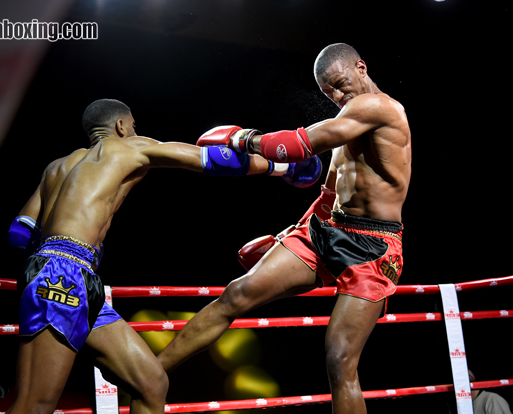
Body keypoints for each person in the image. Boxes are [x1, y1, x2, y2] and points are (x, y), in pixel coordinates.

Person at [5, 98, 321, 414]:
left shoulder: (57, 167)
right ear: (120, 126)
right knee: (36, 404)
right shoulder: (127, 148)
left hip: (71, 274)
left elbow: (19, 234)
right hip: (63, 277)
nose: (134, 131)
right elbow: (212, 160)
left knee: (151, 384)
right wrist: (284, 167)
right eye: (133, 126)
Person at [157, 43, 411, 414]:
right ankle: (151, 373)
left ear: (361, 67)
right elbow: (331, 186)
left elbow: (299, 144)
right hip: (324, 227)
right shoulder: (350, 117)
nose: (338, 96)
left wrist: (244, 139)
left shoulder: (380, 108)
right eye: (329, 93)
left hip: (373, 246)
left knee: (340, 358)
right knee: (236, 295)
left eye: (341, 85)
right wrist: (293, 218)